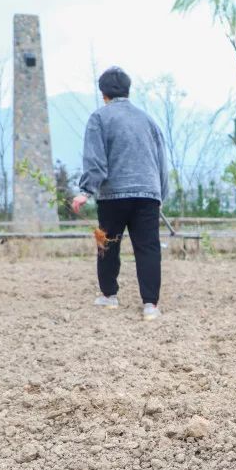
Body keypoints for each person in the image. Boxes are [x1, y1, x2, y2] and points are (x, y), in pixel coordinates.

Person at [73, 67, 168, 321]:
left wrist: (86, 191)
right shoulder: (148, 120)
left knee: (108, 244)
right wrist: (160, 194)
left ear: (103, 93)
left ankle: (109, 295)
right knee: (148, 247)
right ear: (128, 90)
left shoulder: (99, 118)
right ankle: (150, 304)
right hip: (148, 193)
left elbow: (95, 160)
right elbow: (161, 161)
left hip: (113, 194)